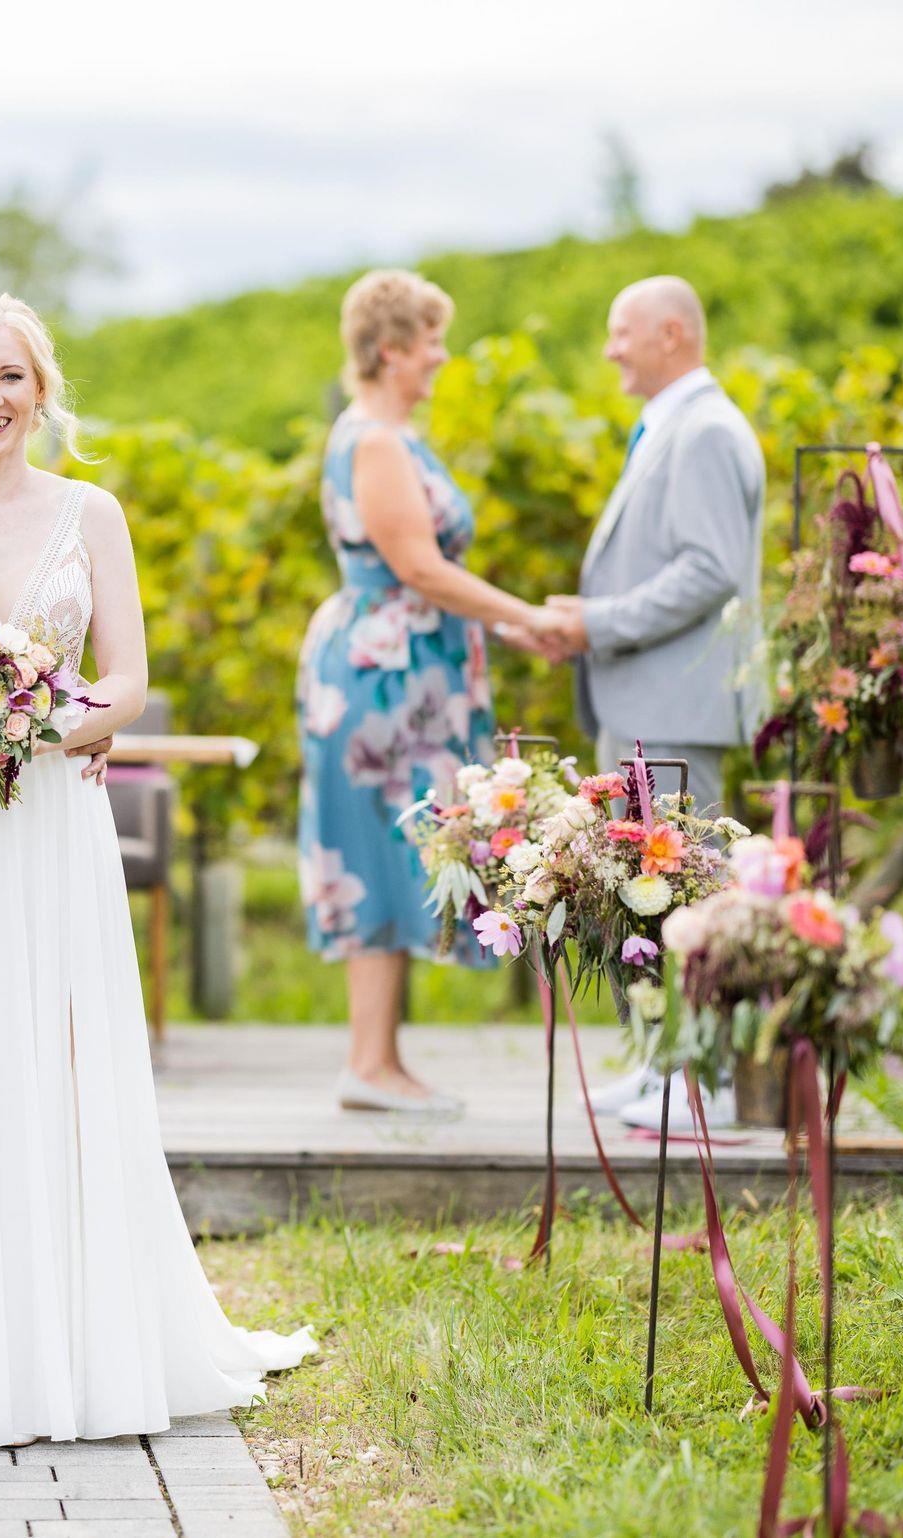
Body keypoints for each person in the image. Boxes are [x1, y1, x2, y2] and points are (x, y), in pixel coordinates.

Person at [0, 292, 314, 1449]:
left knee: (55, 1050)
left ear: (41, 390)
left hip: (52, 813)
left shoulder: (90, 513)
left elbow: (126, 679)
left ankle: (73, 1335)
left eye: (10, 376)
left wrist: (36, 728)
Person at [297, 270, 576, 1118]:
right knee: (389, 849)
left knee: (402, 846)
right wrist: (526, 616)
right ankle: (369, 1065)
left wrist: (503, 626)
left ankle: (378, 1062)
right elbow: (418, 567)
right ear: (390, 350)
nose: (442, 357)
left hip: (408, 670)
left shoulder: (388, 435)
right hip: (386, 679)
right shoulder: (377, 442)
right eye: (431, 342)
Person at [513, 275, 763, 1130]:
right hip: (651, 704)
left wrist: (598, 624)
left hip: (677, 711)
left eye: (622, 331)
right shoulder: (676, 425)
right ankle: (666, 1067)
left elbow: (709, 569)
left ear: (670, 334)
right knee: (645, 896)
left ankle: (706, 1084)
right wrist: (587, 618)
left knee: (688, 899)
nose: (610, 348)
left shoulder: (705, 431)